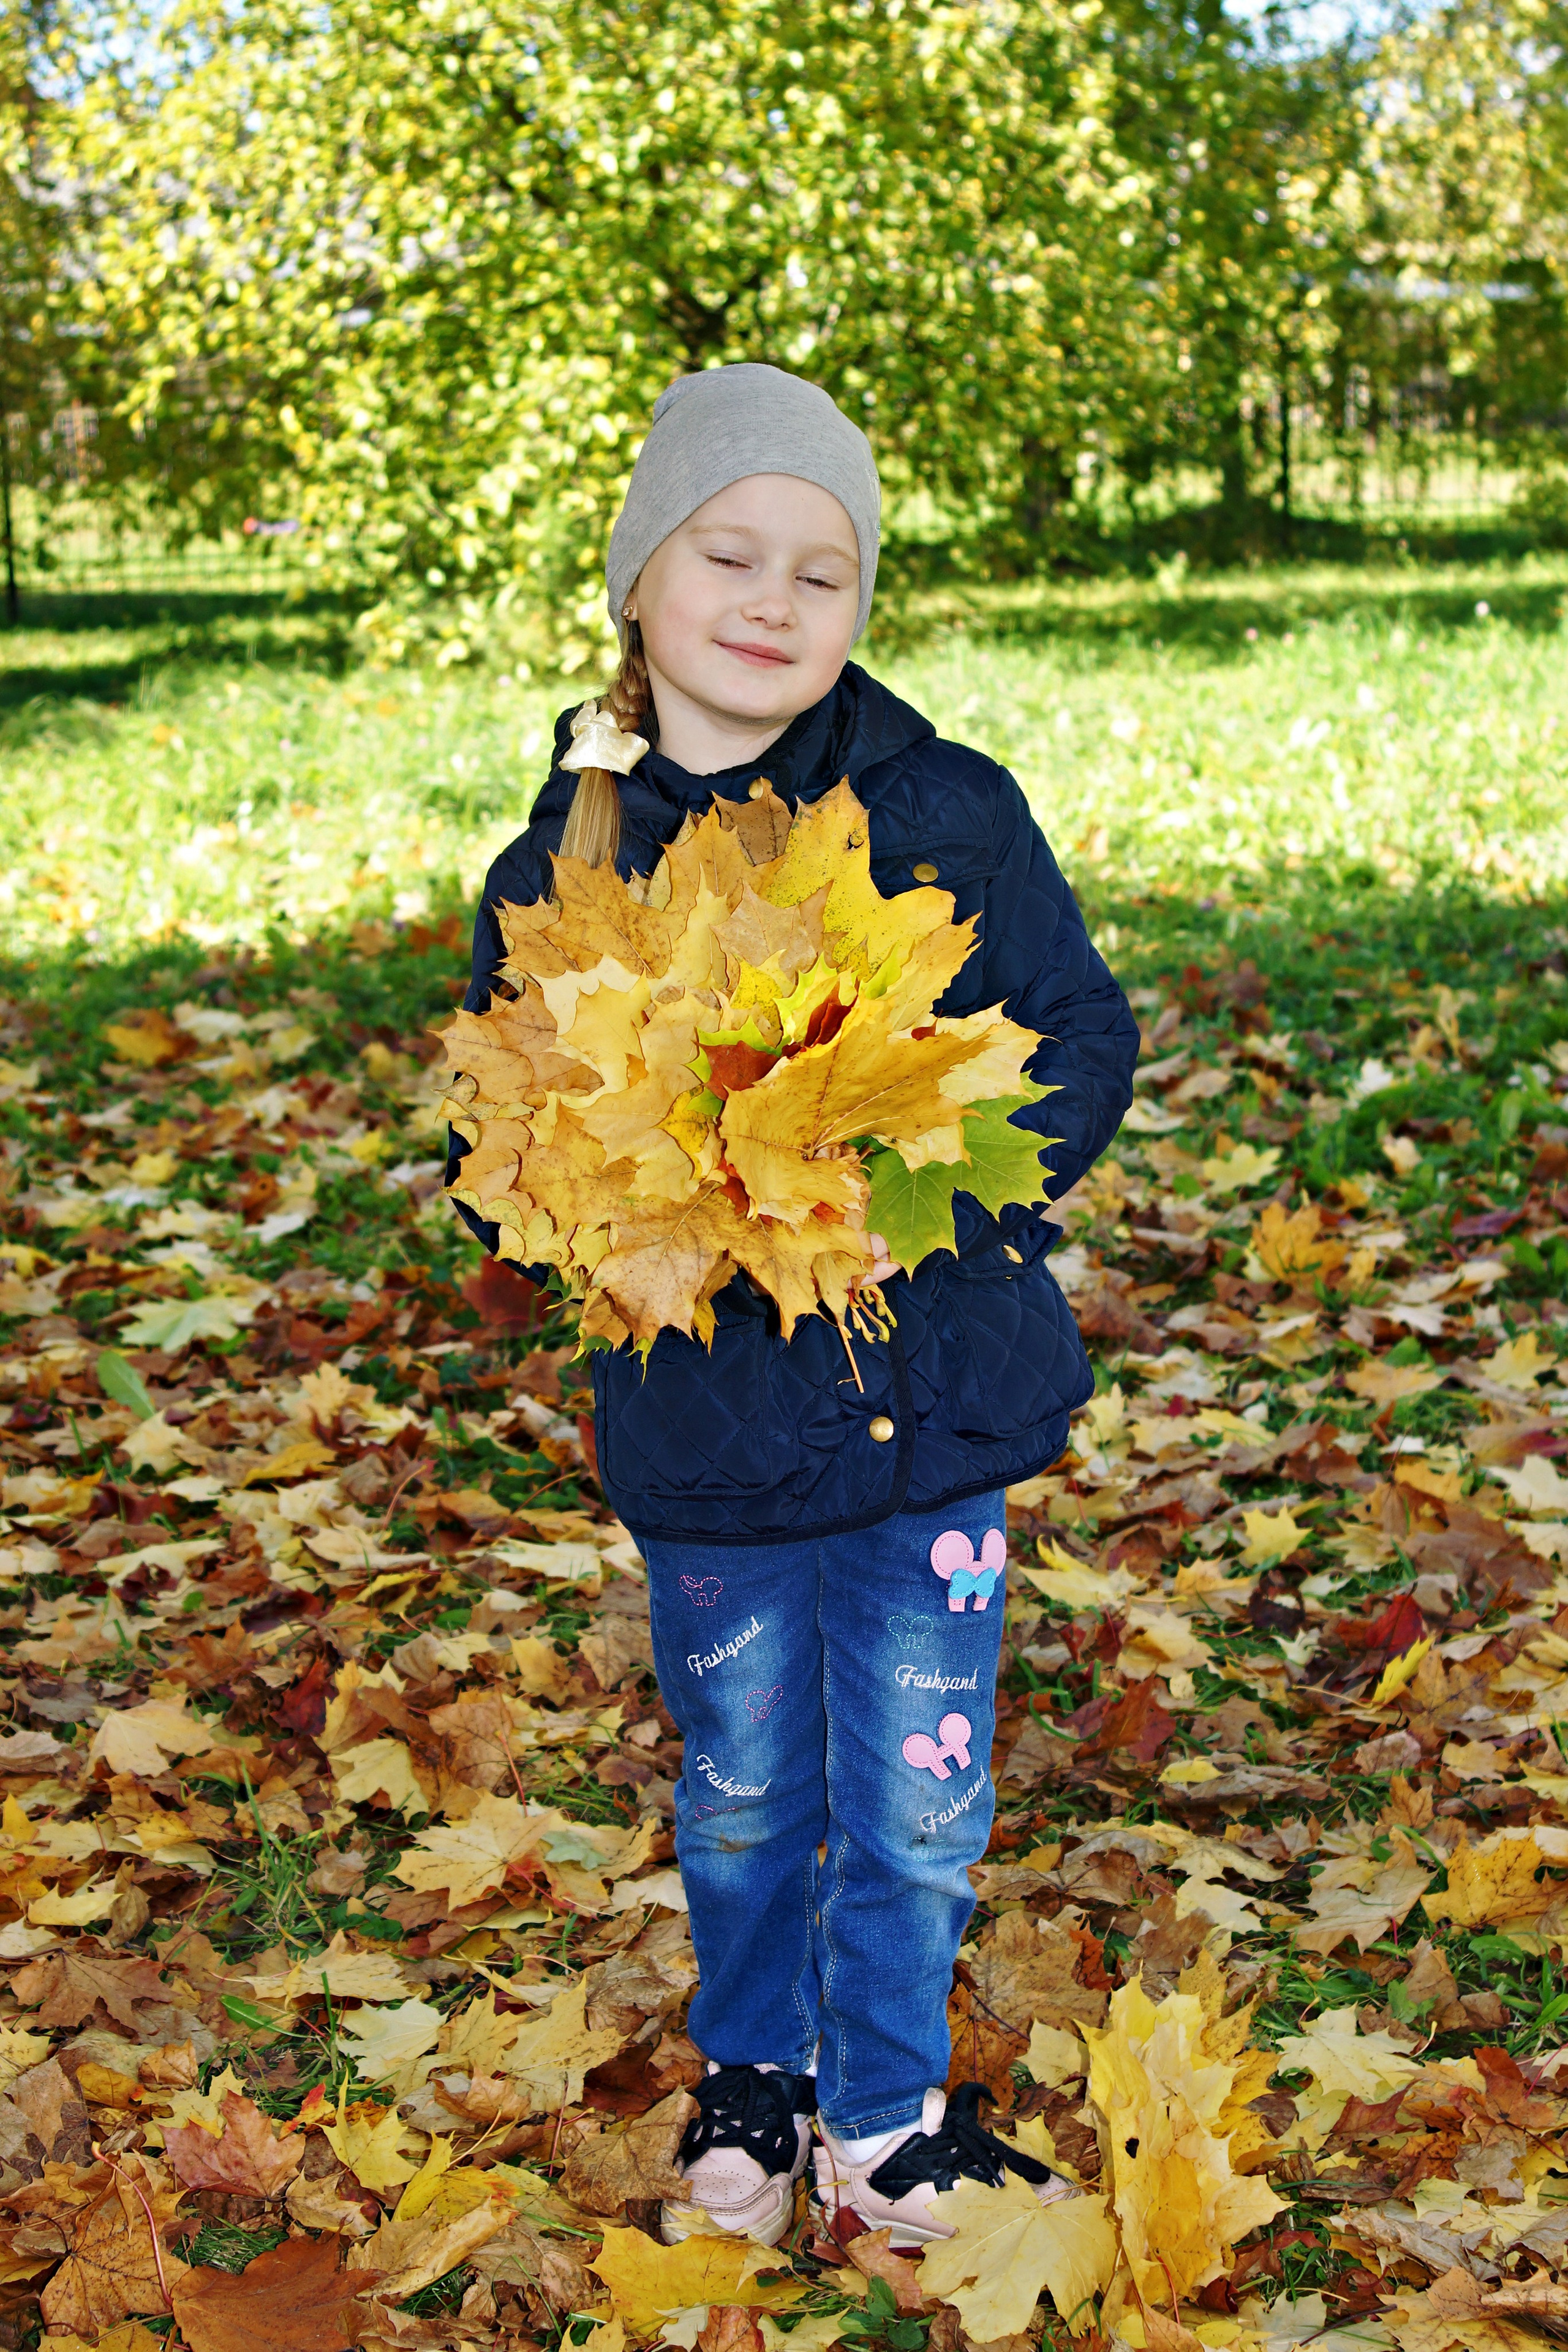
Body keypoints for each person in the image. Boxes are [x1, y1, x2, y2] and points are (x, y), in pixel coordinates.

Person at [450, 364, 1139, 2248]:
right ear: (640, 583)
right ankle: (754, 2076)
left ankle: (888, 2113)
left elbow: (1080, 1032)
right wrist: (654, 1192)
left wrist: (914, 1193)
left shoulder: (951, 812)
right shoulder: (568, 868)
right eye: (728, 555)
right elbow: (505, 1141)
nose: (773, 601)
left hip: (940, 1408)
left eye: (822, 574)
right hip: (720, 1440)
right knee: (749, 1782)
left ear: (861, 606)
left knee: (920, 1788)